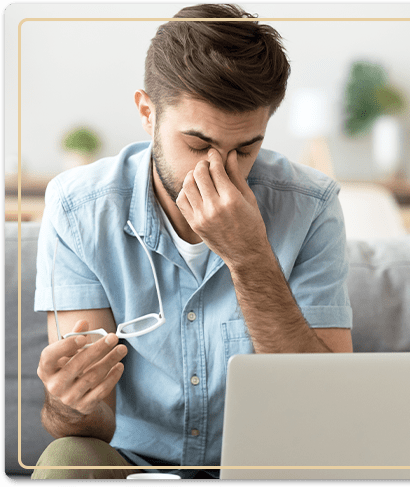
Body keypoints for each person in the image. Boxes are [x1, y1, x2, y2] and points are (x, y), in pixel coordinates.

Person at [32, 3, 353, 480]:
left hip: (266, 464)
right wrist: (70, 404)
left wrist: (249, 257)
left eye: (245, 148)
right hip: (131, 462)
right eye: (199, 145)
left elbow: (322, 407)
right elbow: (85, 428)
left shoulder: (311, 206)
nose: (218, 171)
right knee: (65, 462)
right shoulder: (78, 209)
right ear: (147, 113)